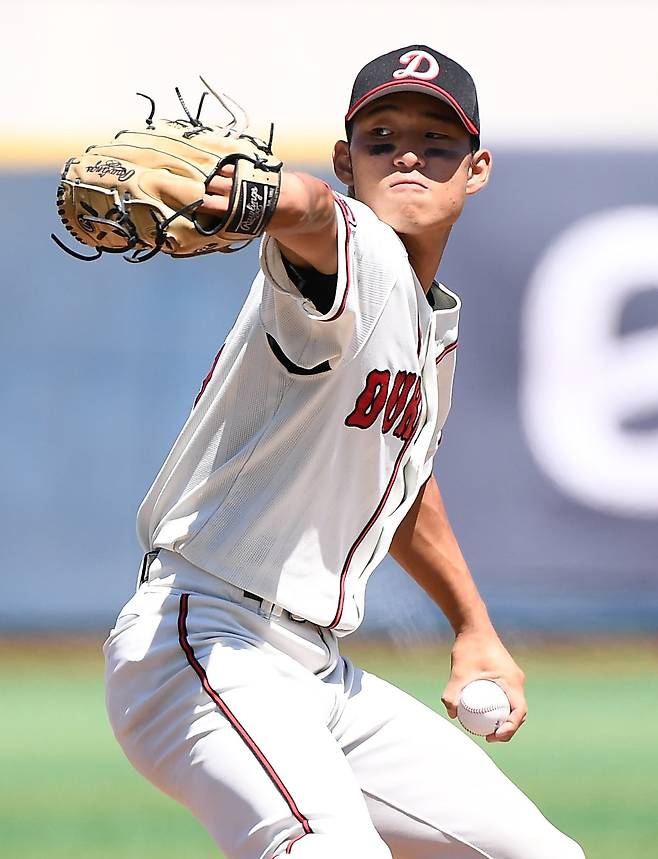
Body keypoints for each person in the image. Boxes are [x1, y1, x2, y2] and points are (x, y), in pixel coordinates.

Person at [104, 45, 586, 858]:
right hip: (208, 642)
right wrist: (259, 192)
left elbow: (404, 486)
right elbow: (311, 212)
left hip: (318, 673)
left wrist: (473, 626)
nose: (408, 154)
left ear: (477, 169)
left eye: (436, 140)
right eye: (381, 137)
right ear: (345, 160)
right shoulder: (358, 250)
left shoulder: (430, 324)